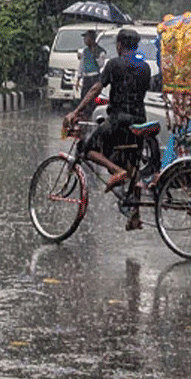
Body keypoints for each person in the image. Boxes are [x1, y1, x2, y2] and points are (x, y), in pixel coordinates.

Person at [64, 27, 151, 230]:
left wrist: (77, 111)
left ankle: (115, 170)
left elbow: (96, 88)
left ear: (119, 45)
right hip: (140, 122)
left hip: (119, 120)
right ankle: (135, 216)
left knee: (87, 149)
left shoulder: (114, 64)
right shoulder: (145, 67)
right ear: (136, 46)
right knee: (134, 166)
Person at [76, 28, 105, 119]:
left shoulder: (100, 51)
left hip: (95, 77)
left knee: (93, 98)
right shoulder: (85, 51)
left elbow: (101, 64)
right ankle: (83, 115)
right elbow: (82, 65)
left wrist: (96, 56)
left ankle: (92, 114)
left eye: (86, 37)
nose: (84, 40)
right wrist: (78, 77)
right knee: (84, 96)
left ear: (92, 39)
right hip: (86, 78)